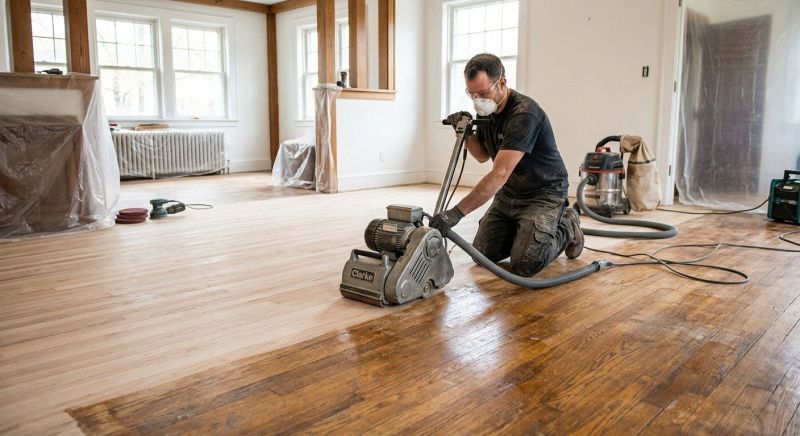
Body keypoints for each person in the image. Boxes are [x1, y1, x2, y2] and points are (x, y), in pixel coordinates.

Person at [429, 53, 584, 277]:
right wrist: (465, 133)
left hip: (543, 193)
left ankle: (569, 223)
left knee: (526, 264)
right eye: (471, 94)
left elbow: (499, 173)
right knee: (481, 254)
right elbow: (482, 155)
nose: (476, 100)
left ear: (501, 82)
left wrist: (456, 213)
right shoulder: (487, 110)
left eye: (482, 93)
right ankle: (525, 233)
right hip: (510, 193)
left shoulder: (524, 114)